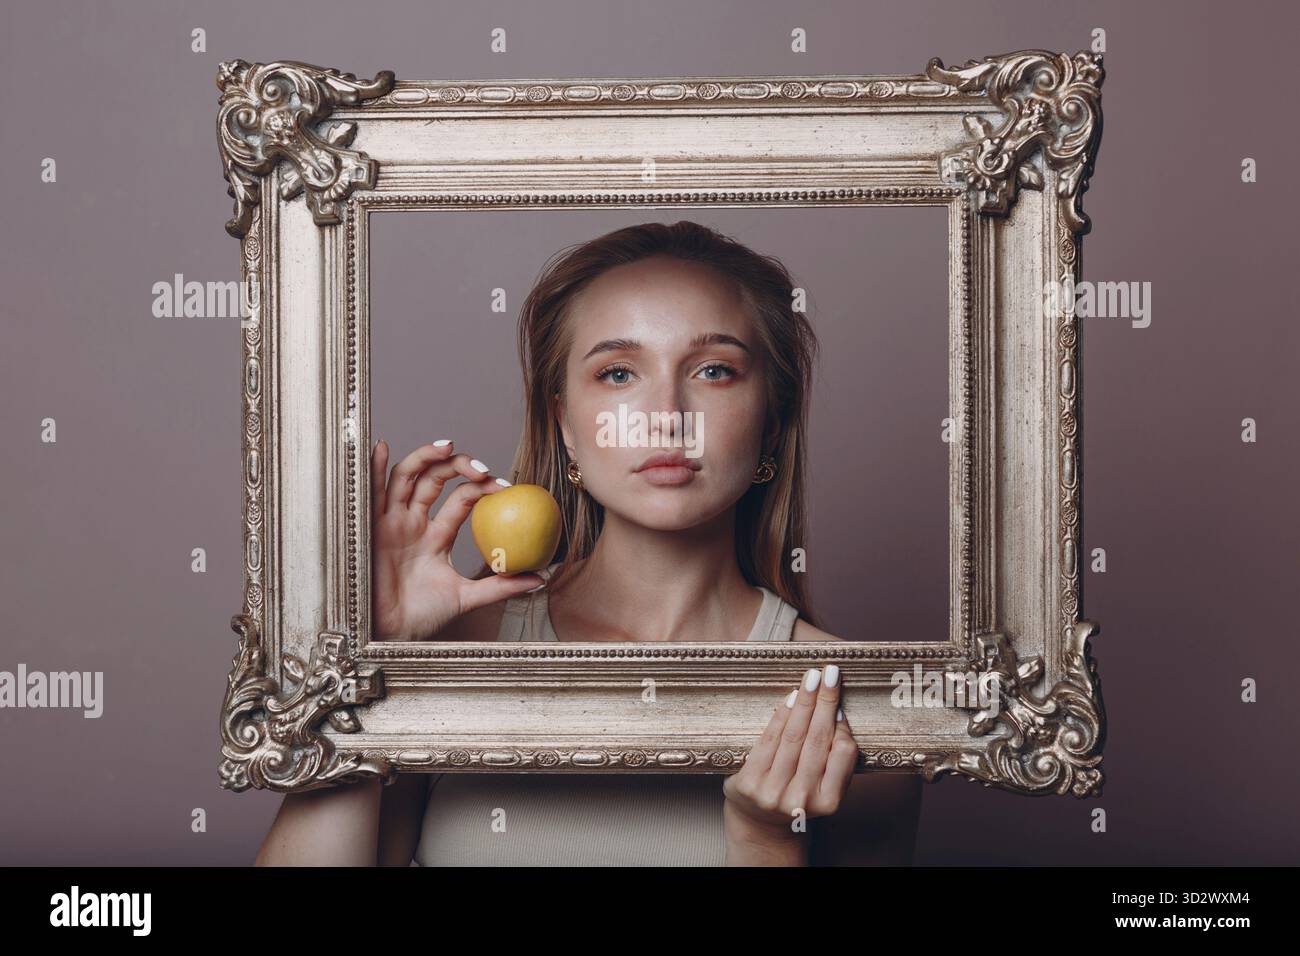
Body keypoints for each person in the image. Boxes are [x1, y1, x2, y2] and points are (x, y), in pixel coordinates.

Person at [254, 221, 922, 866]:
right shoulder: (459, 646)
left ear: (771, 423)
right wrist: (366, 667)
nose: (666, 416)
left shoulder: (857, 704)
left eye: (715, 371)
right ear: (565, 426)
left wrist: (768, 845)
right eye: (618, 374)